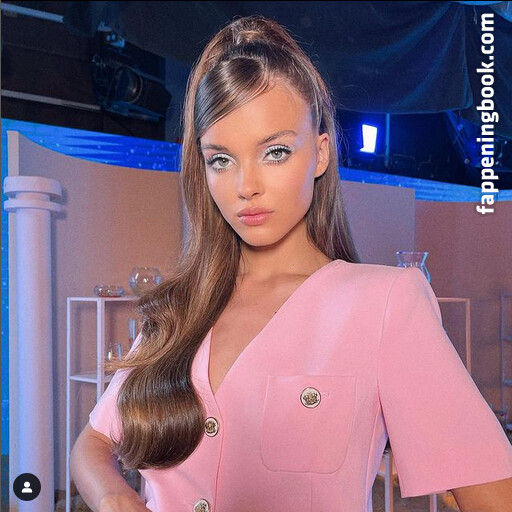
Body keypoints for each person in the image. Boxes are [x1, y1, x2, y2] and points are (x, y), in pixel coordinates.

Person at [70, 14, 512, 512]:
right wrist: (114, 497)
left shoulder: (385, 304)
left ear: (320, 153)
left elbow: (493, 496)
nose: (246, 186)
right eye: (221, 160)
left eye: (275, 152)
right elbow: (94, 442)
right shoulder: (178, 309)